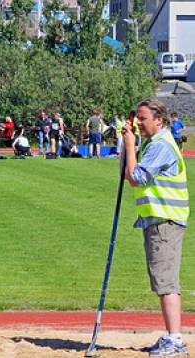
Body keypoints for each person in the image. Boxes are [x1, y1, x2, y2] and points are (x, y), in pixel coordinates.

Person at [122, 98, 189, 357]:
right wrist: (128, 146)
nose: (139, 122)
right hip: (157, 220)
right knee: (161, 280)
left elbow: (136, 178)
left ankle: (175, 339)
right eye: (137, 118)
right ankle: (171, 336)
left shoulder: (161, 145)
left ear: (158, 119)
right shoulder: (153, 143)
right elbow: (128, 173)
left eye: (143, 118)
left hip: (165, 220)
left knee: (166, 281)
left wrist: (130, 146)